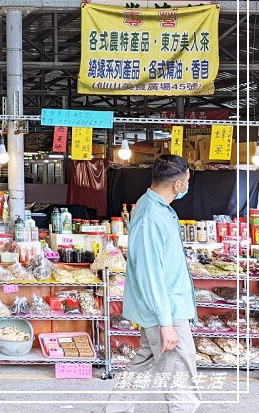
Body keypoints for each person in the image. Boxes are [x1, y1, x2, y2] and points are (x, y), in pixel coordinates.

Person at [106, 155, 199, 413]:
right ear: (178, 185)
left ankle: (116, 409)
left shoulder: (158, 208)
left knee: (142, 366)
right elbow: (150, 274)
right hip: (166, 310)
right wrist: (166, 324)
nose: (188, 186)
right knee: (180, 377)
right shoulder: (150, 215)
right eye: (187, 181)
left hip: (163, 309)